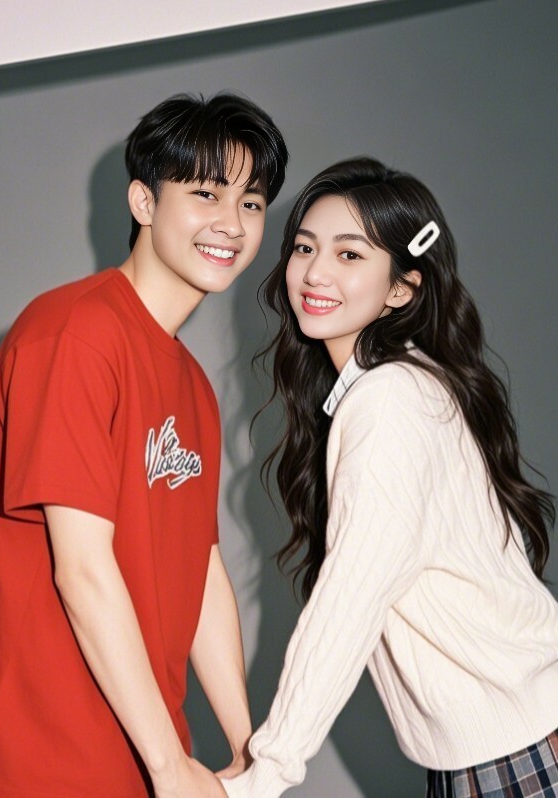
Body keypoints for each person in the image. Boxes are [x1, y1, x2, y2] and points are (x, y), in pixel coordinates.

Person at [0, 92, 288, 798]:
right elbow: (82, 569)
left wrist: (247, 743)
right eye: (206, 194)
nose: (232, 224)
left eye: (252, 203)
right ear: (143, 201)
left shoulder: (191, 383)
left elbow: (200, 571)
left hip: (141, 760)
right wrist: (169, 765)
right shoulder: (74, 333)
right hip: (40, 768)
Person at [220, 157, 558, 798]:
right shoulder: (405, 384)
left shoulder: (389, 399)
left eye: (350, 255)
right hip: (506, 744)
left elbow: (350, 600)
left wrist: (266, 773)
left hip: (514, 755)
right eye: (304, 247)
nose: (315, 273)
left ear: (401, 289)